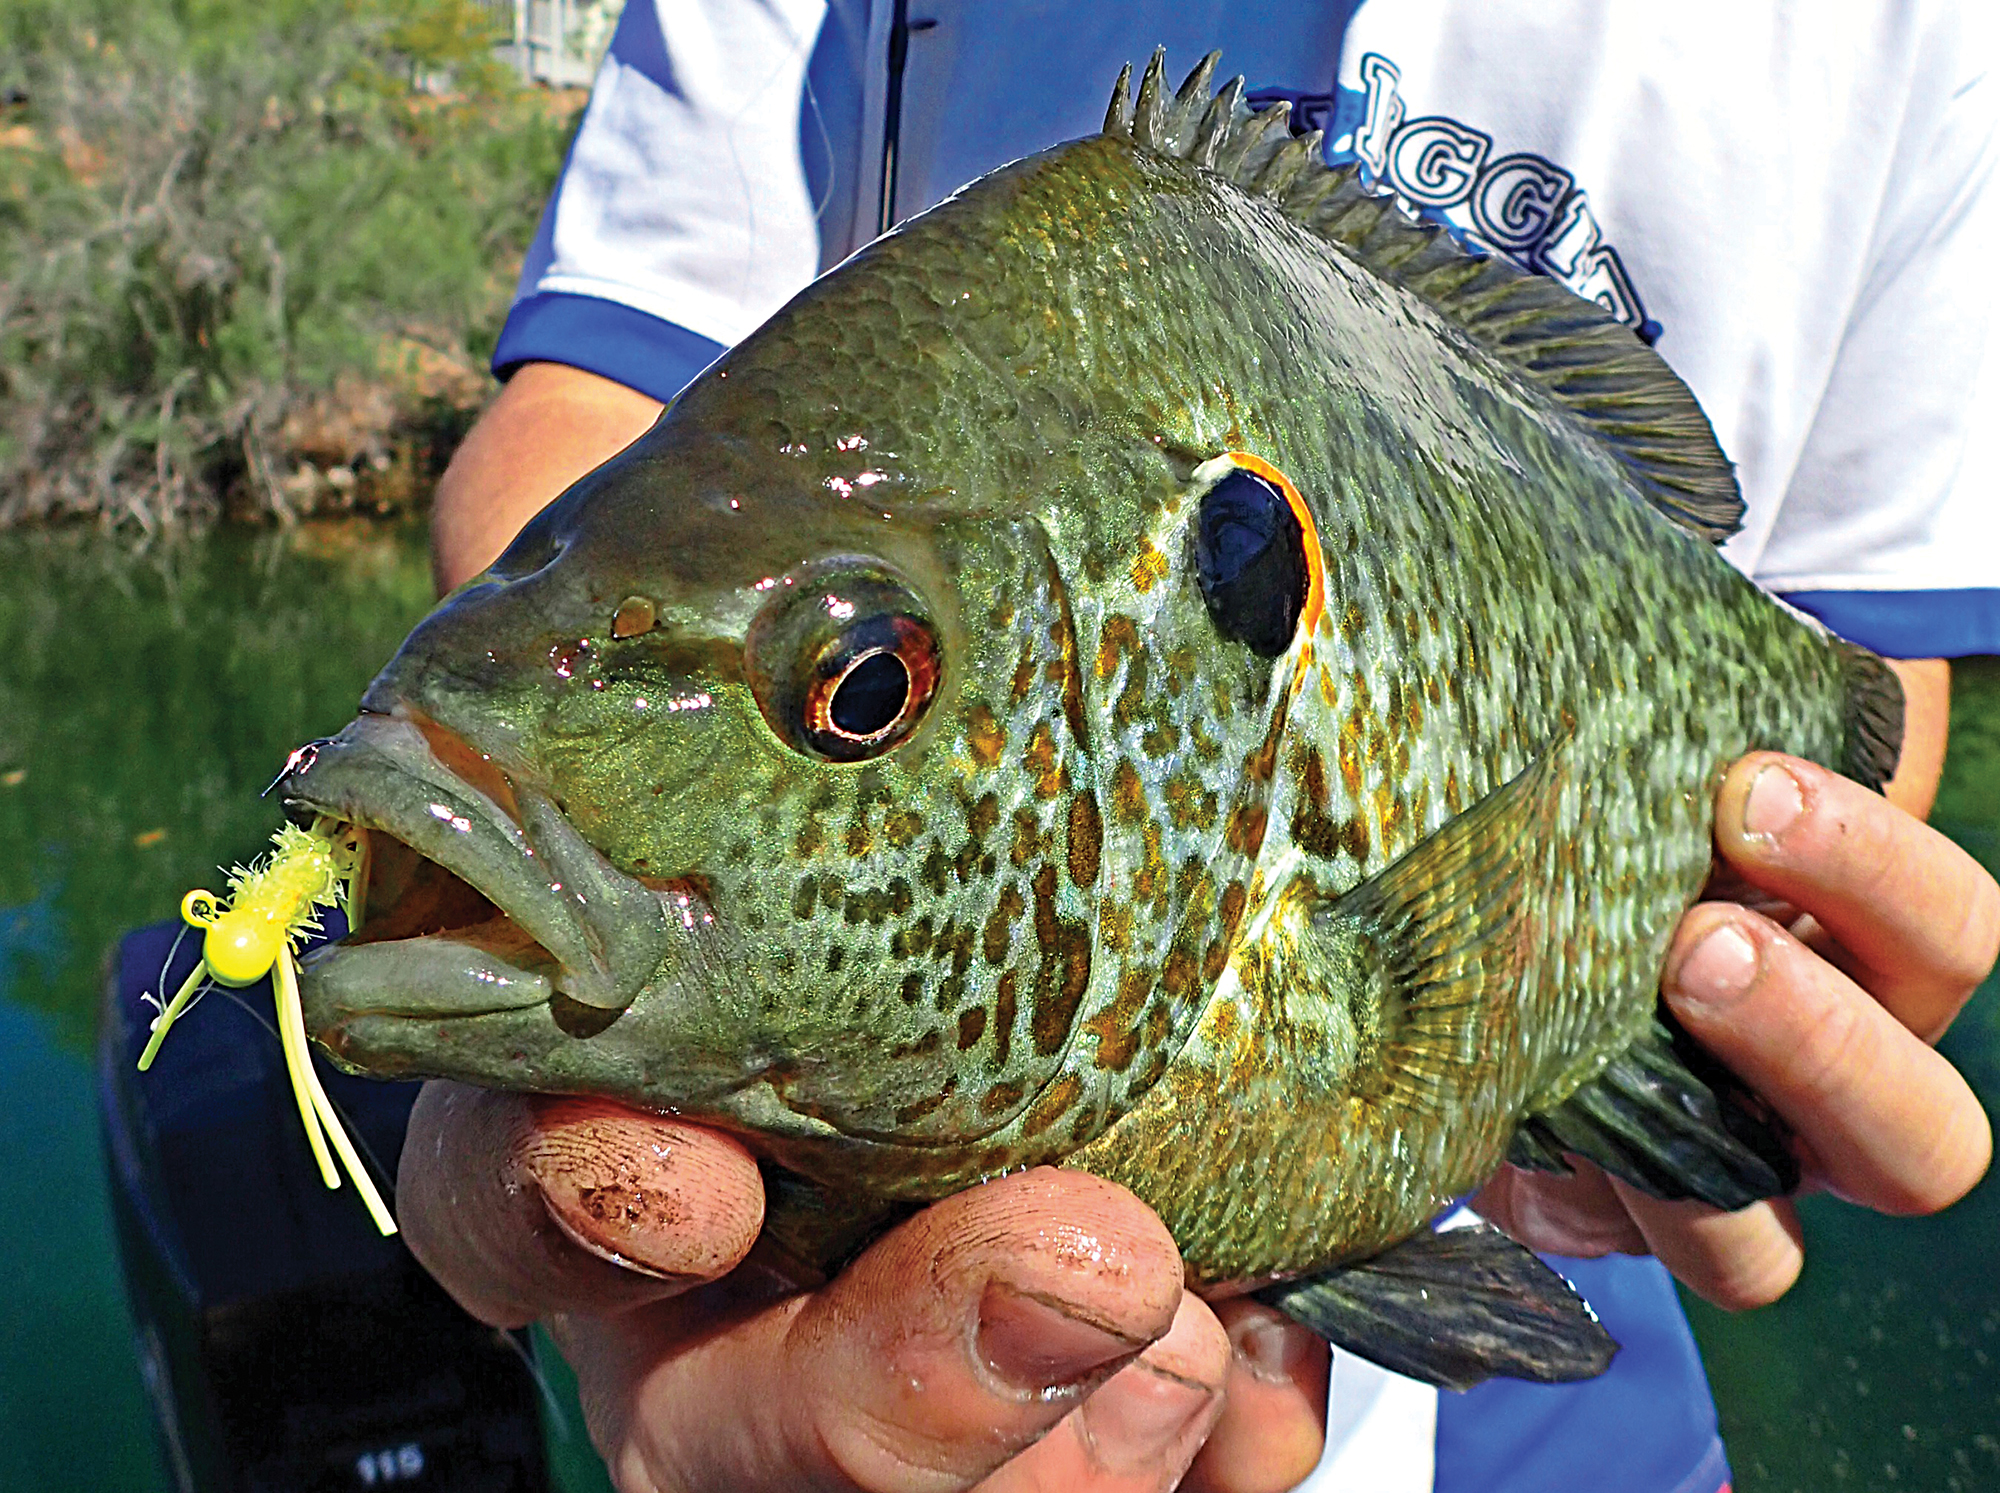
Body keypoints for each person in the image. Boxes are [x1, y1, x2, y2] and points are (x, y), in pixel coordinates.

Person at [404, 4, 2000, 1490]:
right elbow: (590, 429)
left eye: (860, 691)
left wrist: (1761, 974)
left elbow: (1850, 684)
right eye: (860, 691)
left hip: (1576, 1412)